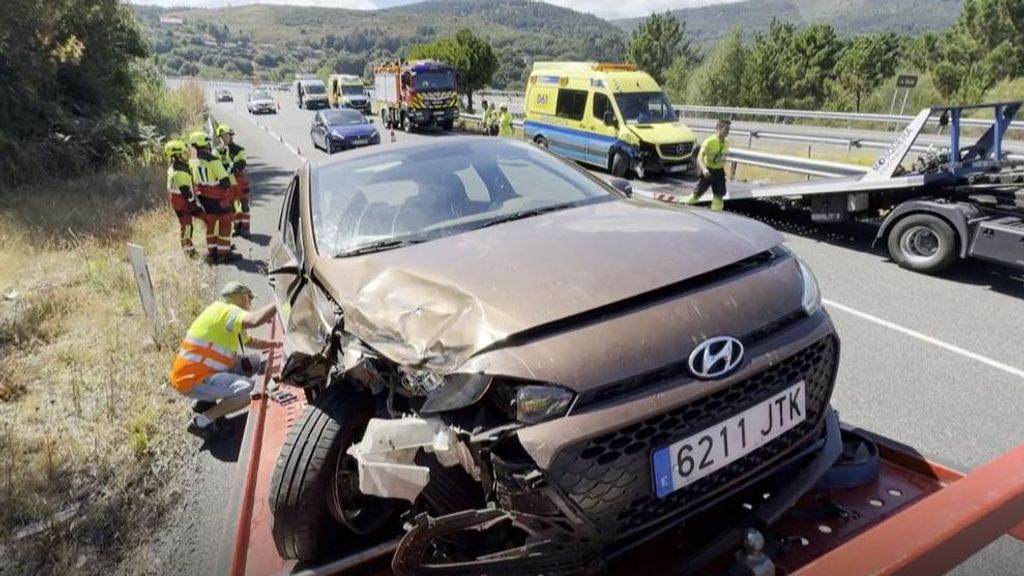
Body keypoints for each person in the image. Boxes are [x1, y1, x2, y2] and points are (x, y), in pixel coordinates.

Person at [169, 282, 280, 440]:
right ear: (242, 297)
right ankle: (201, 422)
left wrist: (274, 345)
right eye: (250, 299)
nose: (250, 304)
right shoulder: (228, 311)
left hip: (198, 373)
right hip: (193, 380)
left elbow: (249, 341)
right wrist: (281, 300)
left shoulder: (223, 316)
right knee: (250, 391)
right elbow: (255, 320)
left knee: (255, 361)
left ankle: (205, 401)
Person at [189, 131, 237, 263]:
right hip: (217, 199)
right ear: (205, 144)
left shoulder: (192, 162)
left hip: (203, 200)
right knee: (225, 223)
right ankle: (224, 253)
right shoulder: (213, 161)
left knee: (211, 225)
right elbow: (225, 181)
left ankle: (213, 252)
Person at [686, 119, 731, 211]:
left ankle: (716, 214)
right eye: (726, 129)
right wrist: (704, 169)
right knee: (697, 194)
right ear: (718, 128)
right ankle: (684, 207)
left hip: (719, 172)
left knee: (719, 196)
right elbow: (699, 157)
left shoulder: (727, 142)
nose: (727, 132)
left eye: (728, 129)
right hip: (708, 171)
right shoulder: (709, 141)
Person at [164, 140, 199, 258]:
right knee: (187, 226)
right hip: (182, 203)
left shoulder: (173, 168)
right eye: (184, 153)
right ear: (177, 156)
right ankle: (188, 250)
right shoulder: (180, 172)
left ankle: (188, 247)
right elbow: (186, 192)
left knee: (186, 225)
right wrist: (193, 204)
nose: (187, 155)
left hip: (176, 202)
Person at [216, 124, 251, 238]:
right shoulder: (217, 151)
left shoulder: (239, 150)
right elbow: (217, 165)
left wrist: (229, 166)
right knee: (231, 204)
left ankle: (246, 228)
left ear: (231, 136)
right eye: (221, 137)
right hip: (228, 181)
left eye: (225, 136)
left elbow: (242, 163)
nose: (223, 139)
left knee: (244, 202)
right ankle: (237, 226)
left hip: (239, 179)